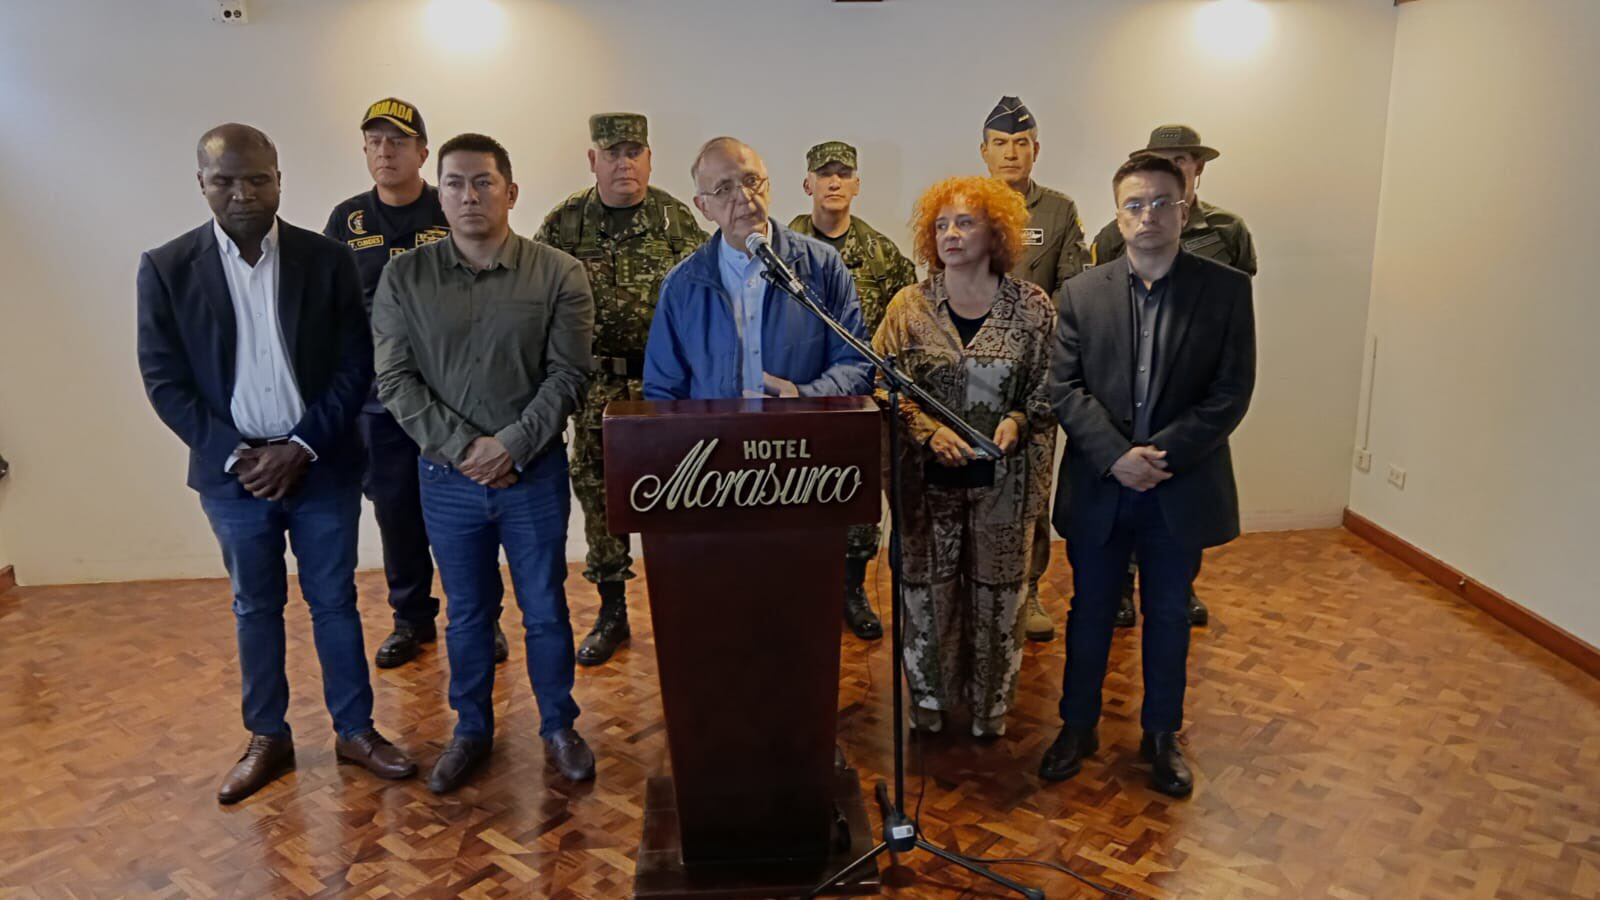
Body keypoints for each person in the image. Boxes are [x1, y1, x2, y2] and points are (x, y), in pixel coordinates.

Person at [137, 123, 416, 804]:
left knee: (335, 601)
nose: (242, 193)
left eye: (257, 179)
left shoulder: (327, 259)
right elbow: (164, 380)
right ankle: (267, 736)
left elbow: (355, 364)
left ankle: (355, 730)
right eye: (225, 180)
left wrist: (301, 446)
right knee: (254, 605)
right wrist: (239, 455)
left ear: (279, 181)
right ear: (201, 183)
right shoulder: (167, 268)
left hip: (321, 465)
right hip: (232, 479)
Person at [372, 133, 597, 793]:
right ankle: (471, 730)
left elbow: (568, 376)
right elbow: (395, 380)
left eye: (483, 182)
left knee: (545, 607)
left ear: (511, 191)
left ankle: (559, 726)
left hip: (533, 476)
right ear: (438, 194)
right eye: (455, 183)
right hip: (447, 481)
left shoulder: (558, 273)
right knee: (467, 614)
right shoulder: (403, 278)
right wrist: (467, 450)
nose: (468, 195)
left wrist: (512, 446)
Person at [1040, 155, 1256, 797]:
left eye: (1162, 202)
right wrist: (1116, 456)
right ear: (1118, 214)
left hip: (1178, 486)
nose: (1148, 216)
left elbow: (1231, 391)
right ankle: (1077, 727)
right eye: (1135, 204)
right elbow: (1064, 387)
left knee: (1167, 613)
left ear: (1184, 209)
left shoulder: (1225, 290)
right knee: (1089, 610)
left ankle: (1162, 736)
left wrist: (1159, 456)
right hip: (1101, 484)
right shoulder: (1082, 292)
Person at [323, 97, 509, 669]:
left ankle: (482, 618)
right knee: (396, 513)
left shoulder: (451, 204)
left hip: (453, 397)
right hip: (380, 402)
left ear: (423, 153)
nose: (386, 151)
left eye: (398, 142)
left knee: (468, 510)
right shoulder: (347, 221)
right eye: (375, 142)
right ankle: (411, 620)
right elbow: (331, 311)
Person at [874, 175, 1055, 739]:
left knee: (999, 601)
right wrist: (925, 430)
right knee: (927, 597)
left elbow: (1053, 383)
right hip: (927, 487)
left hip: (1005, 486)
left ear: (995, 232)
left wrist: (1019, 419)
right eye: (941, 225)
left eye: (965, 222)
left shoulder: (1032, 307)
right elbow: (880, 382)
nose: (950, 234)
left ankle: (989, 708)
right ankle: (929, 702)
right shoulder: (909, 307)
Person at [535, 112, 706, 667]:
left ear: (650, 159)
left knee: (676, 495)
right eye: (612, 153)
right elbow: (536, 300)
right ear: (594, 160)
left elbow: (706, 301)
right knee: (599, 499)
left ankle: (681, 605)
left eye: (634, 152)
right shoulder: (565, 223)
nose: (624, 163)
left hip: (665, 387)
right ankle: (612, 611)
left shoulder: (676, 221)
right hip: (595, 387)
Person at [1090, 125, 1259, 629]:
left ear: (1198, 166)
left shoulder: (1227, 230)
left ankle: (1180, 586)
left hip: (1191, 397)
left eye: (1183, 158)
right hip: (1126, 395)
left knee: (1184, 499)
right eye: (1163, 158)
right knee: (1124, 505)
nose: (1175, 166)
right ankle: (1122, 586)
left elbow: (1236, 308)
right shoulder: (1112, 233)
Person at [788, 139, 918, 642]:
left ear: (858, 184)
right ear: (807, 184)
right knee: (796, 500)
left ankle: (852, 589)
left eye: (844, 174)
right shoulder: (780, 247)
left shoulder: (882, 255)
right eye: (825, 174)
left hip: (859, 404)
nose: (835, 182)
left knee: (858, 500)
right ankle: (802, 590)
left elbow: (905, 327)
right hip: (795, 402)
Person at [642, 136, 871, 401]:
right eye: (724, 189)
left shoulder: (822, 265)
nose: (744, 197)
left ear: (768, 187)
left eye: (752, 181)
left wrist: (802, 396)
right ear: (704, 207)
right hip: (715, 429)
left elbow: (855, 365)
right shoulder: (682, 285)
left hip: (802, 427)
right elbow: (663, 391)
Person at [980, 95, 1085, 644]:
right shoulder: (964, 204)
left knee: (1033, 484)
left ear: (1036, 150)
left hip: (1037, 371)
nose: (1011, 153)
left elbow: (1073, 286)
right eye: (1000, 143)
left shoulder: (1059, 211)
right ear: (984, 151)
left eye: (1021, 143)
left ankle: (1030, 587)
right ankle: (978, 585)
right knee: (974, 480)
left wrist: (1032, 332)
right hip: (975, 370)